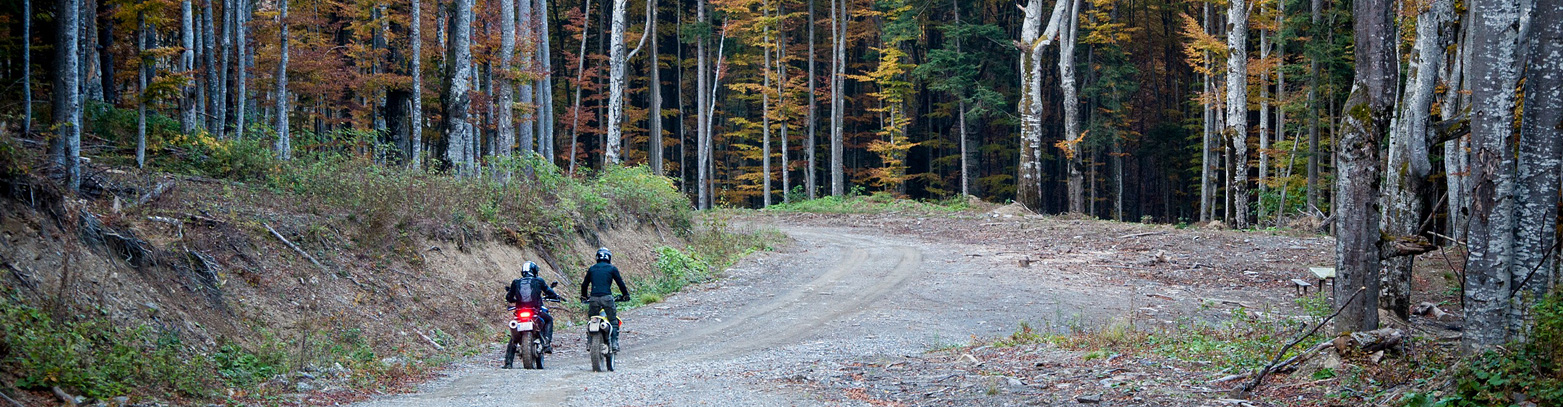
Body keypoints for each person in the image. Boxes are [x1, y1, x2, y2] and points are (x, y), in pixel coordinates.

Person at [506, 261, 561, 360]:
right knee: (549, 320)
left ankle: (508, 363)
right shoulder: (538, 281)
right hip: (535, 311)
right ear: (534, 270)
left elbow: (509, 297)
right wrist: (555, 296)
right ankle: (547, 343)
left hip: (520, 312)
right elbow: (549, 292)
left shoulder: (516, 282)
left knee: (514, 337)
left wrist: (514, 300)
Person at [579, 247, 629, 352]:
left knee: (592, 320)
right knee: (613, 321)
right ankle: (614, 343)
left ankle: (589, 342)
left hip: (594, 299)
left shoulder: (592, 269)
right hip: (607, 298)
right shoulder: (612, 268)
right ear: (609, 257)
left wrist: (584, 297)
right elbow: (620, 283)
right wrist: (625, 295)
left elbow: (584, 285)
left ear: (597, 257)